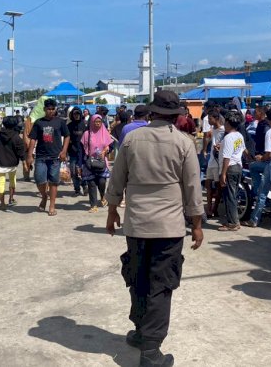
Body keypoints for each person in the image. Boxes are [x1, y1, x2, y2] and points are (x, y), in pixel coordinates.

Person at [105, 90, 204, 367]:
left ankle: (140, 333)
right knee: (161, 286)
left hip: (136, 224)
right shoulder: (183, 143)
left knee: (137, 277)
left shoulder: (131, 139)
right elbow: (193, 187)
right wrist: (197, 224)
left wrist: (112, 211)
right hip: (169, 228)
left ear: (151, 112)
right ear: (176, 116)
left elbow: (117, 178)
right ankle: (150, 352)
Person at [26, 99, 69, 217]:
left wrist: (64, 151)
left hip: (55, 157)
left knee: (53, 182)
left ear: (55, 109)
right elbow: (33, 139)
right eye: (48, 109)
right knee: (39, 179)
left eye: (52, 109)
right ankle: (44, 196)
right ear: (44, 109)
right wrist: (29, 155)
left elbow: (67, 136)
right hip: (41, 156)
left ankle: (52, 205)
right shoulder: (39, 123)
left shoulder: (60, 122)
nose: (50, 111)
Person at [0, 116, 27, 211]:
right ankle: (11, 199)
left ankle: (2, 204)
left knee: (1, 183)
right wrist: (24, 163)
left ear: (4, 124)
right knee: (12, 180)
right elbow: (21, 151)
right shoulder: (16, 137)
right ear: (14, 124)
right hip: (12, 164)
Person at [219, 110, 245, 232]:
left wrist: (223, 173)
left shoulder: (228, 137)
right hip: (238, 167)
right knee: (232, 195)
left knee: (229, 196)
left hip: (230, 168)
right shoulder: (239, 135)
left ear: (229, 123)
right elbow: (243, 150)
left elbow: (227, 158)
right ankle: (234, 221)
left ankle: (233, 223)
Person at [81, 113, 111, 213]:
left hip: (101, 162)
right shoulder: (87, 134)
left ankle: (103, 196)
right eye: (96, 122)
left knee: (102, 182)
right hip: (90, 162)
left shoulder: (104, 132)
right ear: (92, 122)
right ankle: (93, 205)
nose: (98, 124)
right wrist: (80, 163)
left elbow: (108, 146)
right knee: (91, 183)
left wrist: (105, 151)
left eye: (99, 122)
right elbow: (83, 148)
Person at [203, 108, 225, 218]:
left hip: (218, 162)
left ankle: (214, 209)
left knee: (217, 186)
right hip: (211, 160)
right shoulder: (212, 130)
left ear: (216, 118)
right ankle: (209, 207)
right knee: (208, 184)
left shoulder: (223, 130)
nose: (208, 121)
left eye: (210, 119)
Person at [248, 105, 271, 201]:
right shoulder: (260, 124)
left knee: (252, 167)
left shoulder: (264, 126)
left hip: (264, 156)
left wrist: (262, 156)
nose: (253, 114)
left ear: (261, 113)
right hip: (260, 153)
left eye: (256, 112)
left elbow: (267, 143)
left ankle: (258, 193)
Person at [67, 107, 86, 196]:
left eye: (78, 114)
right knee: (73, 171)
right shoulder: (69, 126)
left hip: (83, 152)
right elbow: (67, 139)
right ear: (72, 115)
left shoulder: (84, 125)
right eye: (75, 114)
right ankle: (77, 189)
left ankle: (84, 185)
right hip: (72, 152)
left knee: (83, 171)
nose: (76, 115)